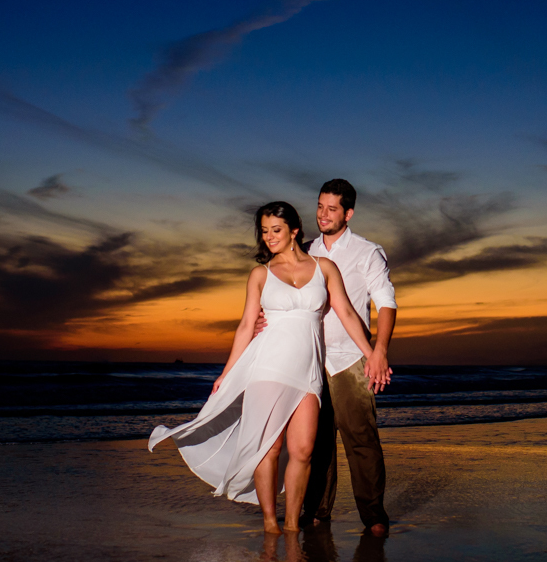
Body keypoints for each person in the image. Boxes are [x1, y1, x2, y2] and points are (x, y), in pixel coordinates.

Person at [148, 201, 377, 534]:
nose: (269, 237)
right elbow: (245, 326)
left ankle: (293, 526)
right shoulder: (260, 274)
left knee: (303, 450)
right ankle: (272, 524)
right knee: (269, 448)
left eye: (276, 230)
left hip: (309, 373)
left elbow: (347, 313)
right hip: (268, 368)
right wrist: (227, 373)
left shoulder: (325, 267)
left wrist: (371, 353)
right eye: (265, 231)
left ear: (294, 230)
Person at [255, 179, 396, 537]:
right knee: (315, 445)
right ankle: (317, 511)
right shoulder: (304, 251)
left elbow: (386, 303)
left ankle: (373, 515)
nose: (323, 214)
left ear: (348, 213)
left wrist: (378, 352)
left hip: (349, 358)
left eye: (332, 209)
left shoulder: (367, 252)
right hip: (308, 361)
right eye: (319, 207)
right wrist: (262, 320)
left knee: (361, 439)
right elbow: (279, 297)